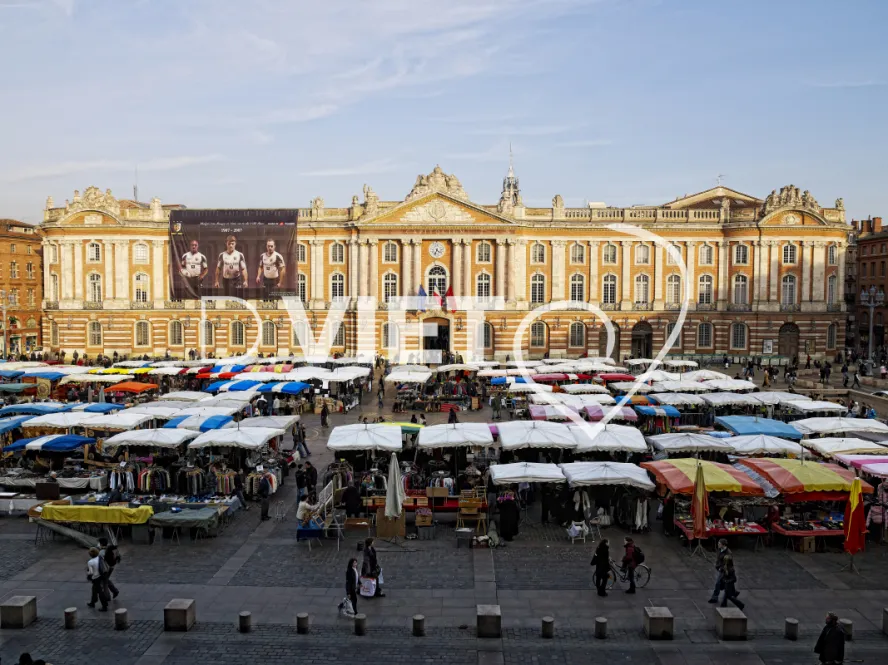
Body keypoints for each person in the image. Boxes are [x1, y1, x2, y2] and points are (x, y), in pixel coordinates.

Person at [708, 539, 732, 603]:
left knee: (718, 583)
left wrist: (721, 568)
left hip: (725, 570)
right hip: (720, 569)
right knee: (724, 584)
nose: (718, 545)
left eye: (719, 544)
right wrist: (717, 565)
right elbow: (718, 559)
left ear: (723, 545)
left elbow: (727, 563)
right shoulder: (719, 550)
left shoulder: (728, 553)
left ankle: (715, 598)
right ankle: (733, 593)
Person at [86, 546, 110, 611]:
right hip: (101, 576)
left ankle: (104, 606)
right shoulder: (100, 557)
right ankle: (93, 602)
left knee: (100, 592)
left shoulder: (90, 562)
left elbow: (90, 572)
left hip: (95, 578)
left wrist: (87, 572)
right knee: (94, 590)